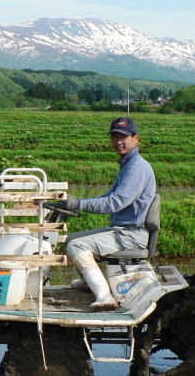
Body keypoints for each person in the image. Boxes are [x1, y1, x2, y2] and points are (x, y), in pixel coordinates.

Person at [62, 117, 156, 311]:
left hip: (131, 234)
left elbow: (115, 202)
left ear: (135, 138)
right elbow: (109, 196)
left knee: (77, 245)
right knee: (72, 238)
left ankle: (104, 296)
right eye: (114, 137)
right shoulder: (128, 164)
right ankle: (92, 282)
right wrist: (76, 205)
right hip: (124, 230)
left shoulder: (137, 167)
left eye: (123, 137)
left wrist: (78, 203)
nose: (118, 141)